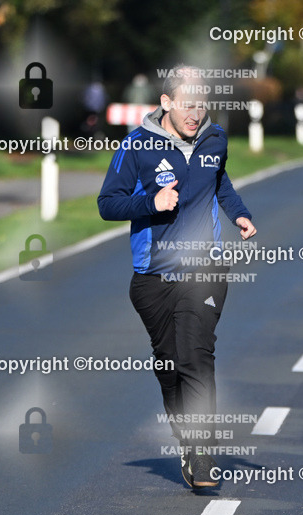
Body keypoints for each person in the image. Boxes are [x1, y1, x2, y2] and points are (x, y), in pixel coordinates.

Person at [98, 65, 256, 489]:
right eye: (187, 105)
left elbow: (219, 180)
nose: (195, 113)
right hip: (153, 276)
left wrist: (239, 214)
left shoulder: (214, 138)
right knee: (169, 366)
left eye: (201, 105)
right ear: (166, 102)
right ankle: (187, 441)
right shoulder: (137, 145)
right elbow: (108, 204)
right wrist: (151, 202)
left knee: (196, 357)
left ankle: (202, 452)